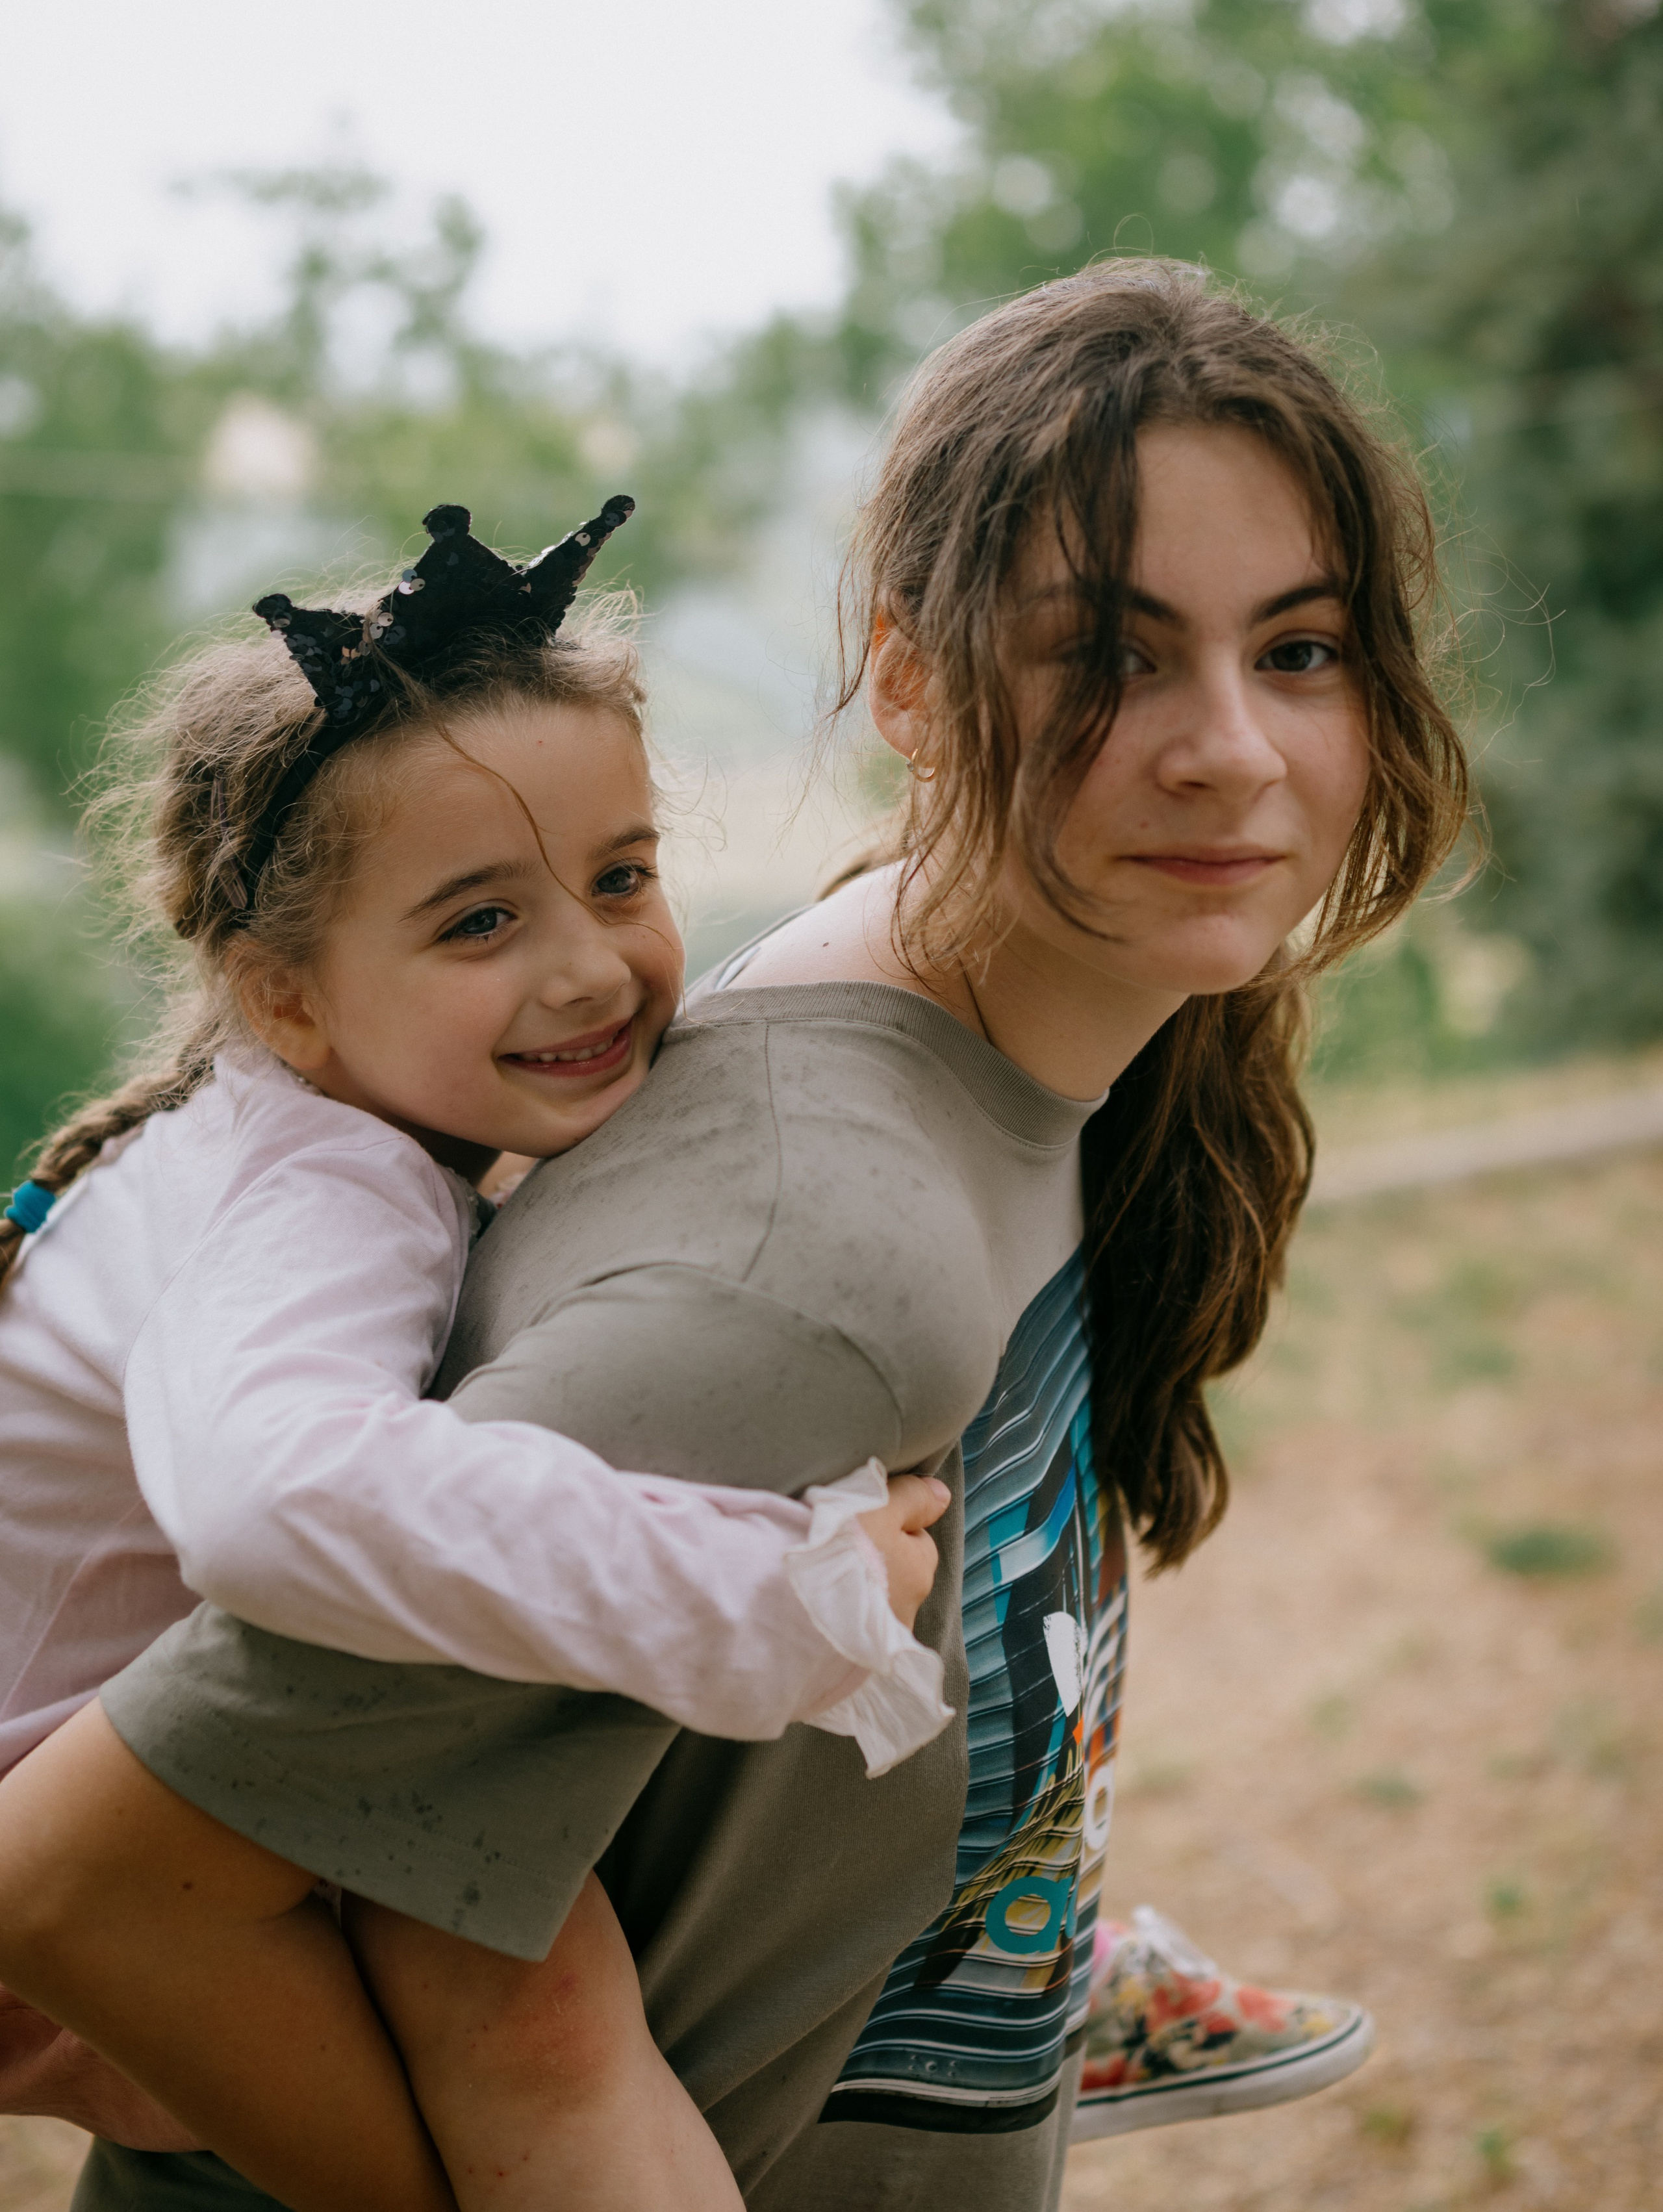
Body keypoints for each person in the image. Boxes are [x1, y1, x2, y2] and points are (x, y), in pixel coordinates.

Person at [0, 261, 1469, 2212]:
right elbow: (90, 1884)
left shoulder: (1016, 1044)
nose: (1233, 750)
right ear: (916, 683)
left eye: (1299, 649)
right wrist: (759, 1603)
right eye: (1111, 658)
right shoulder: (805, 1259)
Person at [0, 500, 955, 2212]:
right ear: (284, 996)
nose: (593, 966)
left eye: (621, 878)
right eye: (479, 924)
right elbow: (272, 1506)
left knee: (526, 1972)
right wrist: (763, 1597)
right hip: (72, 1834)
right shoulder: (318, 1189)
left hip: (140, 1779)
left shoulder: (344, 1118)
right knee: (539, 2012)